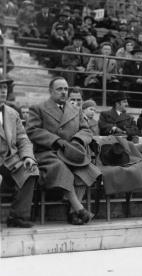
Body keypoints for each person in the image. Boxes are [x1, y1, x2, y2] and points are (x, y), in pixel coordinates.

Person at [26, 77, 101, 225]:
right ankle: (79, 209)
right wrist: (56, 140)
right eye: (59, 89)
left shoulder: (75, 109)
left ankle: (73, 214)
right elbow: (32, 130)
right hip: (48, 153)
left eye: (66, 89)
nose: (63, 92)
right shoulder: (38, 108)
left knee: (85, 170)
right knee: (61, 168)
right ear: (51, 91)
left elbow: (86, 130)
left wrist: (78, 141)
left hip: (70, 152)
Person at [0, 75, 39, 228]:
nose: (3, 91)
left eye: (4, 88)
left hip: (10, 161)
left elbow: (23, 139)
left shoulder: (12, 113)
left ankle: (17, 216)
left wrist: (27, 156)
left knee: (30, 170)